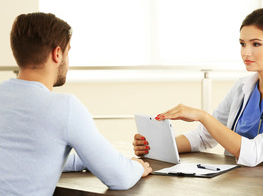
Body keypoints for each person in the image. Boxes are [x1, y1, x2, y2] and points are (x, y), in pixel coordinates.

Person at [133, 8, 263, 167]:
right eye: (242, 44)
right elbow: (204, 137)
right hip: (245, 182)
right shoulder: (242, 87)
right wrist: (157, 147)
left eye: (256, 44)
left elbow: (254, 153)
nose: (246, 52)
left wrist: (202, 116)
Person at [0, 12, 152, 196]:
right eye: (68, 51)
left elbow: (31, 156)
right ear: (57, 54)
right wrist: (136, 167)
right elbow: (120, 178)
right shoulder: (64, 107)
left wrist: (88, 159)